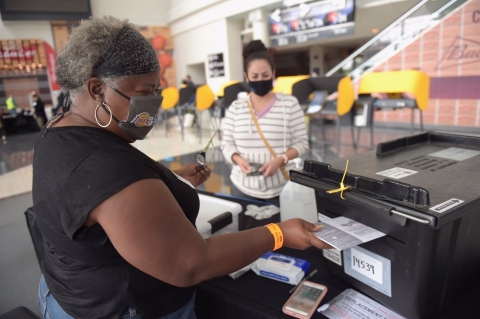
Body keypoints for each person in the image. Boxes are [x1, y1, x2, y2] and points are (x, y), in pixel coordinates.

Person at [33, 16, 330, 319]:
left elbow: (102, 205)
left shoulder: (57, 130)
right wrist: (279, 233)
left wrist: (171, 181)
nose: (155, 102)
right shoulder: (105, 165)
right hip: (127, 308)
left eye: (157, 89)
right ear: (97, 89)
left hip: (66, 294)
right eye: (145, 91)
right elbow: (191, 263)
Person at [221, 40, 309, 205]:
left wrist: (281, 159)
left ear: (273, 73)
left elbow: (302, 143)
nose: (260, 80)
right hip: (242, 187)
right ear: (246, 77)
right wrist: (236, 158)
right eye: (254, 76)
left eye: (265, 75)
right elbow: (226, 143)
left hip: (282, 188)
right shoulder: (236, 107)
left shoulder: (289, 104)